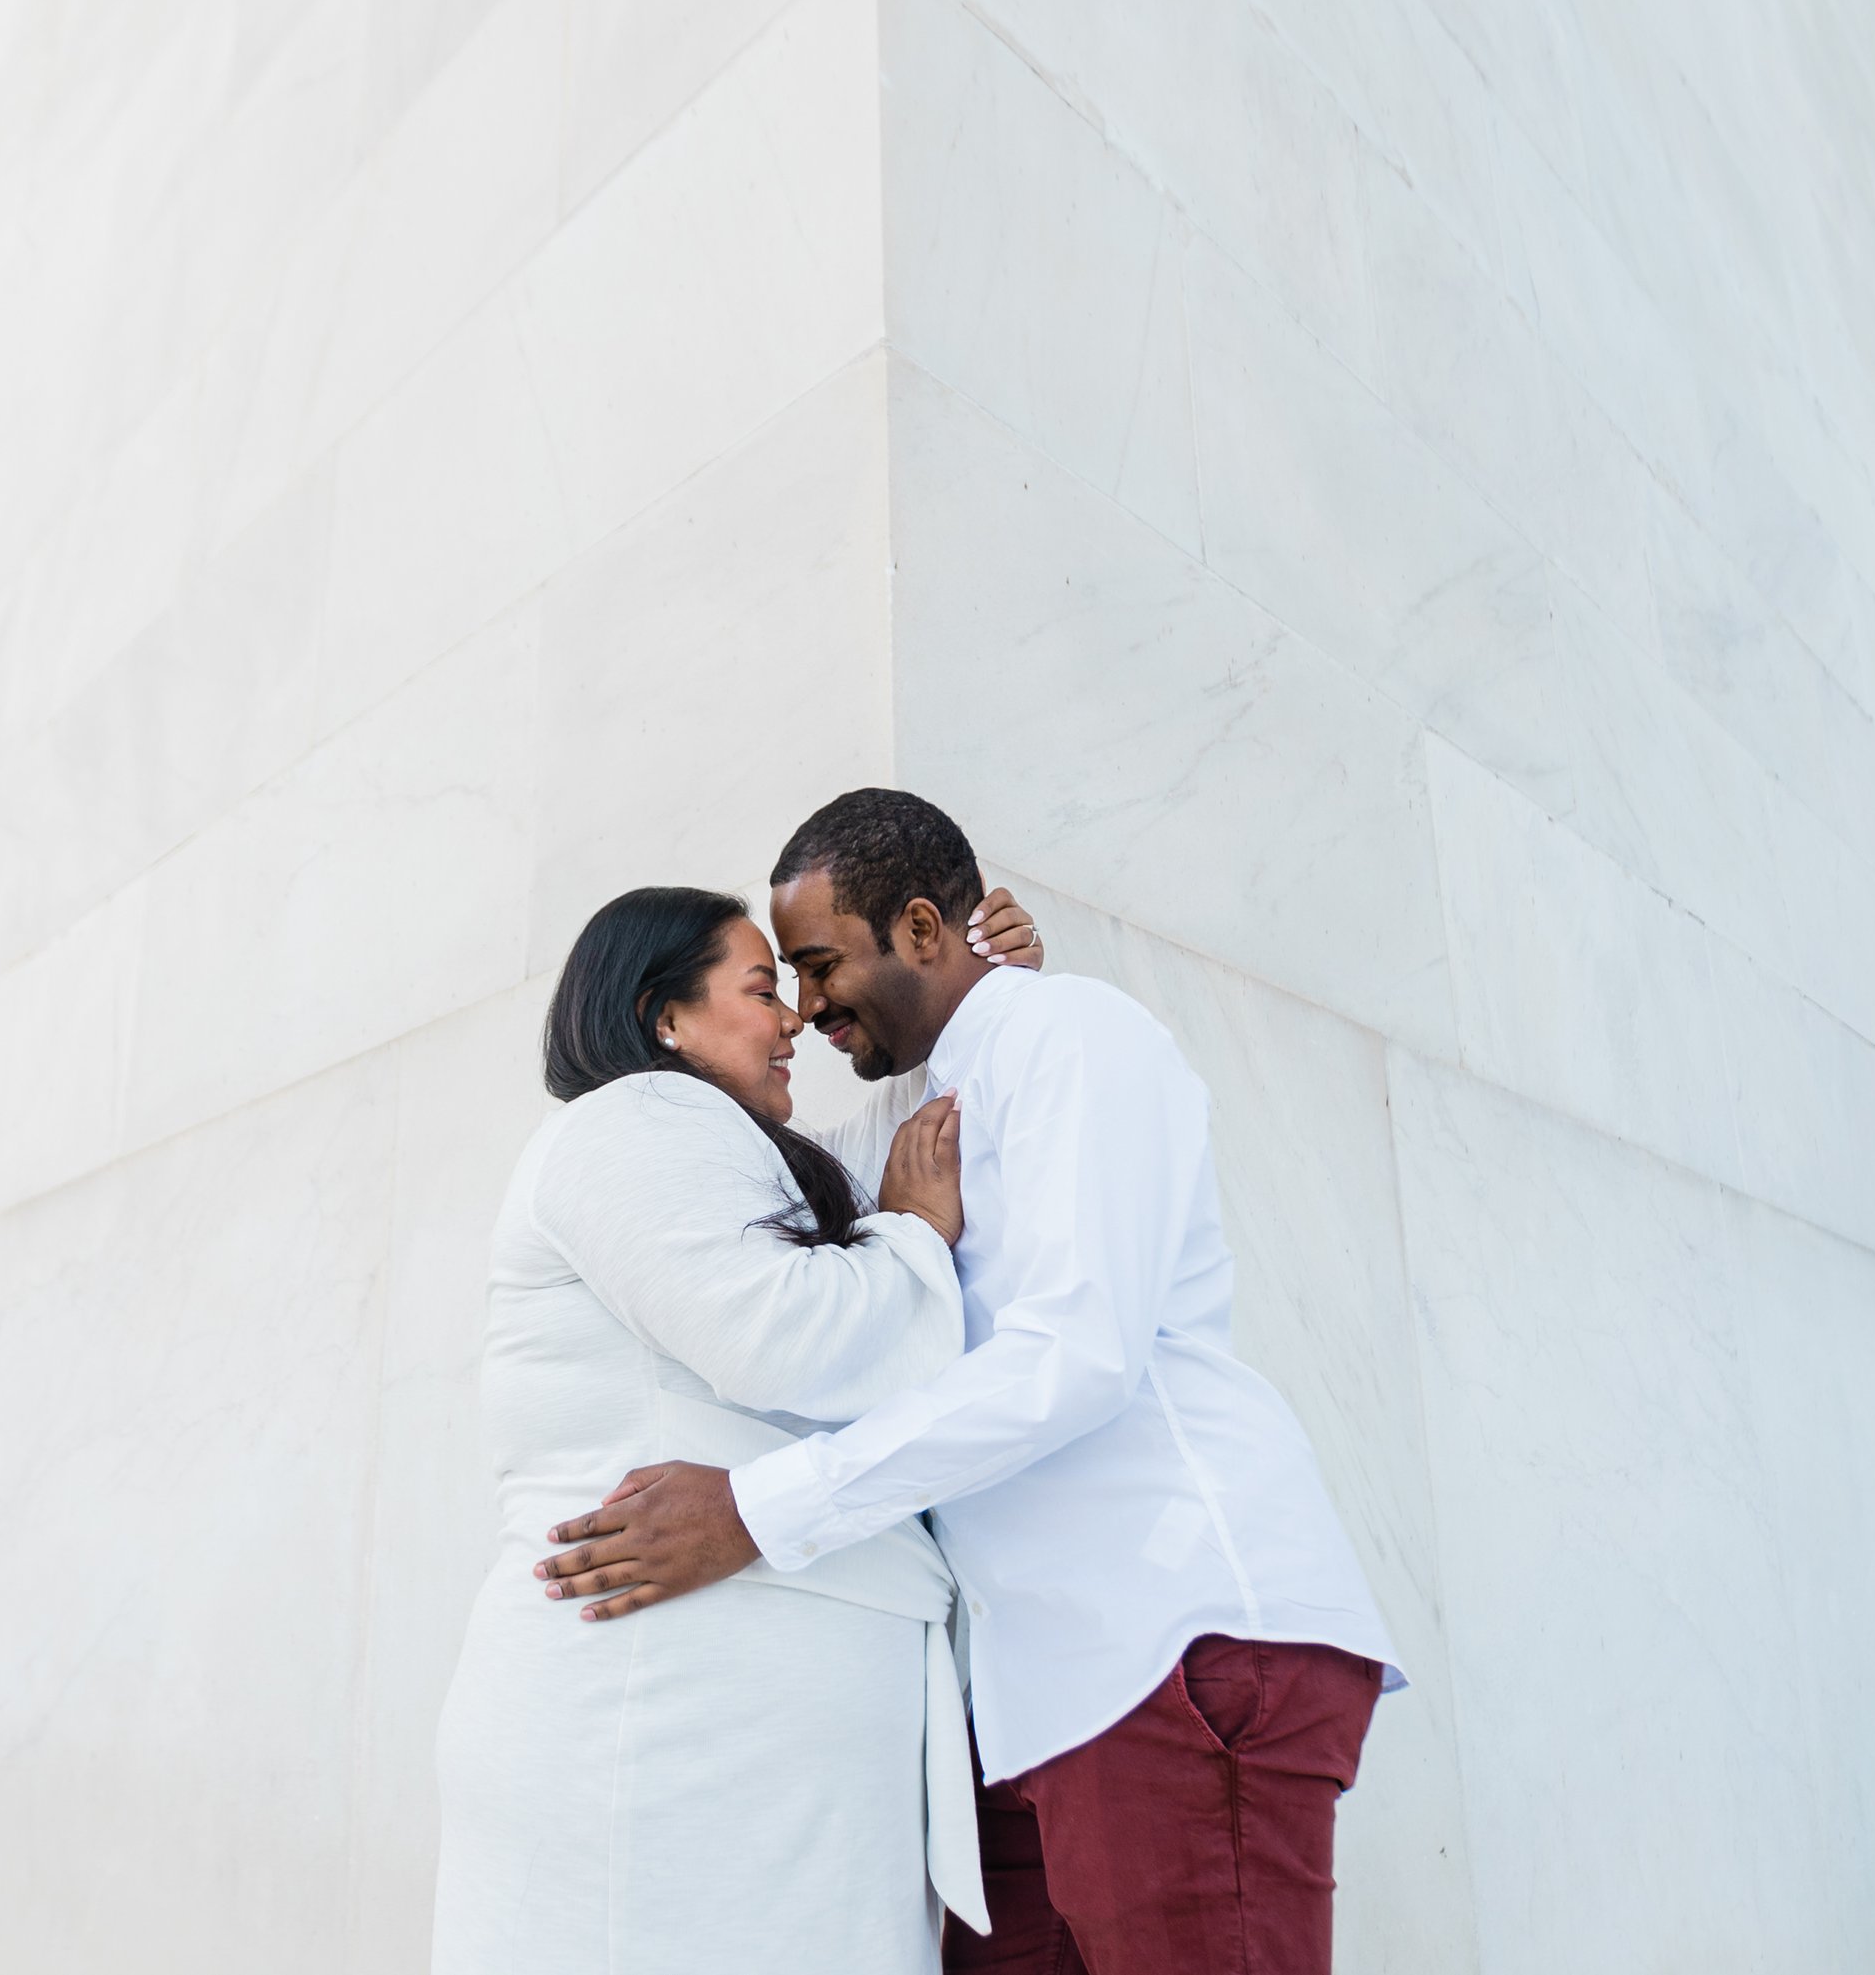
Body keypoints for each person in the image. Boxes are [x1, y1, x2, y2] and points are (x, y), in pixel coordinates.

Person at [536, 790, 1401, 1975]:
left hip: (1174, 1643)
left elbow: (1075, 1356)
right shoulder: (924, 1103)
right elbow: (788, 1214)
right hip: (1030, 1696)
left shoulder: (1073, 1037)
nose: (805, 1003)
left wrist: (757, 1509)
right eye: (779, 980)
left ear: (926, 929)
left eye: (820, 962)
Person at [431, 874, 1045, 1975]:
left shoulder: (722, 1150)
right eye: (763, 987)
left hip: (734, 1734)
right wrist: (910, 1236)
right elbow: (792, 1336)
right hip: (672, 1721)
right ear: (660, 1016)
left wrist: (985, 992)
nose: (794, 1016)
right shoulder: (632, 1122)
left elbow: (918, 1139)